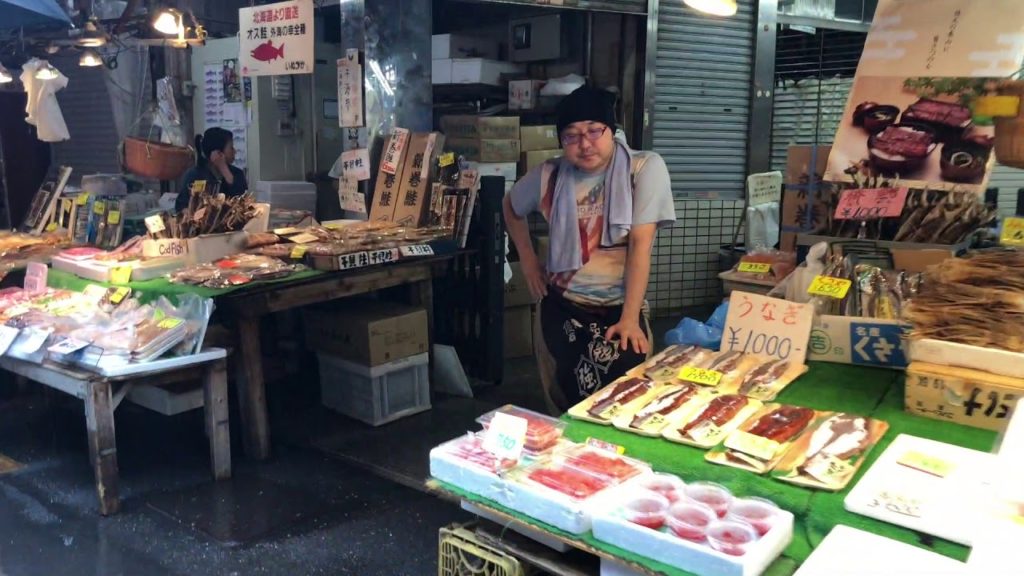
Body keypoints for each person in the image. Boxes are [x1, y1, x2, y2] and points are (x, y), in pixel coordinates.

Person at [504, 85, 676, 414]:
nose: (584, 144)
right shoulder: (549, 175)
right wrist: (527, 260)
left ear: (611, 131)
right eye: (571, 136)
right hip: (561, 309)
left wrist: (629, 319)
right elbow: (510, 206)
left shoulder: (642, 169)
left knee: (626, 406)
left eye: (594, 131)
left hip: (619, 309)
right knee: (563, 409)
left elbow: (641, 244)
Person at [175, 127, 247, 212]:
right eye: (231, 148)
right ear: (218, 153)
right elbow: (181, 206)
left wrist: (224, 168)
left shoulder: (237, 173)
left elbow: (241, 201)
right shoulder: (194, 175)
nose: (234, 151)